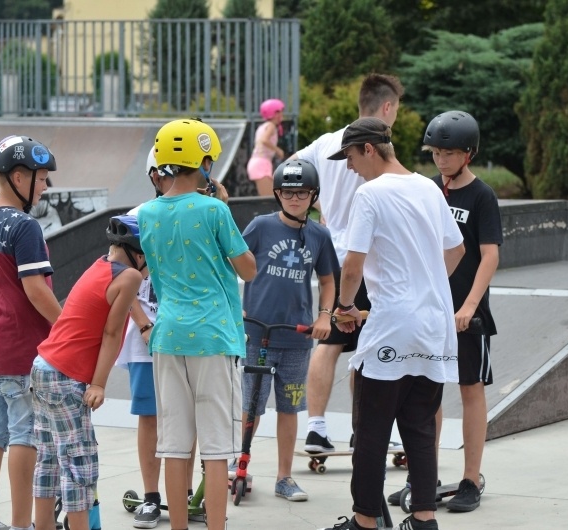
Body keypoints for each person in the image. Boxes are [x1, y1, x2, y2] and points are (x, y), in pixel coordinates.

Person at [319, 117, 465, 530]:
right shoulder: (428, 187)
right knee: (420, 427)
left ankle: (365, 522)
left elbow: (352, 265)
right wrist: (426, 284)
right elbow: (455, 250)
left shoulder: (370, 194)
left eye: (349, 157)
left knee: (372, 430)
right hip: (434, 324)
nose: (348, 167)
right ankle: (423, 520)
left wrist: (343, 308)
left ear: (368, 149)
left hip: (392, 327)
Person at [138, 118, 256, 530]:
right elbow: (249, 269)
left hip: (167, 335)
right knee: (216, 447)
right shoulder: (215, 210)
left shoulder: (147, 214)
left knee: (174, 445)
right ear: (203, 162)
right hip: (214, 336)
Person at [387, 111, 502, 512]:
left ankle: (471, 479)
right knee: (426, 396)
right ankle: (425, 474)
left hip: (468, 315)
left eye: (448, 153)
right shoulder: (429, 190)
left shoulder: (482, 196)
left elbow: (489, 255)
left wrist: (469, 305)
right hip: (429, 313)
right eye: (435, 152)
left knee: (470, 390)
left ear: (468, 154)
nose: (440, 160)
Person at [290, 73, 405, 453]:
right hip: (363, 259)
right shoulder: (378, 145)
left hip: (329, 250)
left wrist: (319, 205)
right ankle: (363, 427)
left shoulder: (325, 143)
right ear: (387, 107)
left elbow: (290, 169)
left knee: (331, 342)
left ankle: (317, 427)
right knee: (365, 345)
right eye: (397, 110)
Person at [0, 135, 62, 530]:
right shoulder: (24, 227)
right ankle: (23, 524)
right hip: (22, 347)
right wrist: (67, 328)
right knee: (27, 434)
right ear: (18, 177)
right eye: (40, 179)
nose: (44, 187)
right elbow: (36, 290)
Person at [31, 214, 146, 530]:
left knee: (49, 459)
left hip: (43, 367)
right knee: (79, 465)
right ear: (139, 251)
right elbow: (111, 333)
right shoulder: (130, 278)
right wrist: (99, 383)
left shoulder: (100, 266)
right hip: (67, 375)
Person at [239, 159, 337, 501]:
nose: (295, 200)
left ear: (313, 196)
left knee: (290, 406)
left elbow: (328, 281)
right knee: (251, 406)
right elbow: (231, 263)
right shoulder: (260, 226)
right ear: (278, 194)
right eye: (288, 193)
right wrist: (234, 305)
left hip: (297, 336)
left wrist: (324, 316)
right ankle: (242, 468)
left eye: (302, 194)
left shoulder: (319, 235)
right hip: (256, 333)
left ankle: (284, 477)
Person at [114, 151, 197, 529]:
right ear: (154, 174)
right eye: (168, 173)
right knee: (151, 417)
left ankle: (183, 493)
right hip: (146, 336)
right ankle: (151, 497)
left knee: (187, 419)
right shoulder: (139, 215)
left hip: (189, 335)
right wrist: (144, 324)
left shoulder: (200, 212)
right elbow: (118, 277)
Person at [247, 98, 285, 196]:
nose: (281, 114)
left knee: (273, 197)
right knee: (268, 199)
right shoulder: (271, 126)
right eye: (278, 112)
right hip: (261, 163)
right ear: (272, 113)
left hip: (261, 162)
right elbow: (264, 140)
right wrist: (278, 150)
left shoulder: (263, 126)